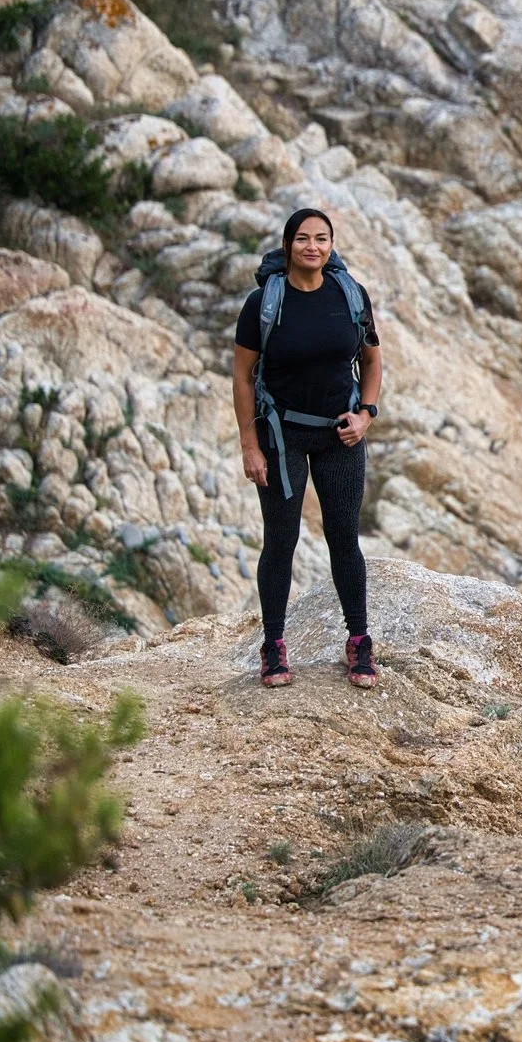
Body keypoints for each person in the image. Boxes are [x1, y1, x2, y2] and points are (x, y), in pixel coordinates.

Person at [232, 207, 384, 690]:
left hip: (340, 433)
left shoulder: (350, 295)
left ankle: (359, 640)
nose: (312, 247)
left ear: (330, 245)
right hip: (282, 435)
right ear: (287, 245)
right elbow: (241, 376)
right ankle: (274, 645)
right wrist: (249, 446)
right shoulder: (263, 303)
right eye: (302, 239)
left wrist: (366, 415)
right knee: (281, 540)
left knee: (344, 539)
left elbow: (373, 359)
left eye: (321, 239)